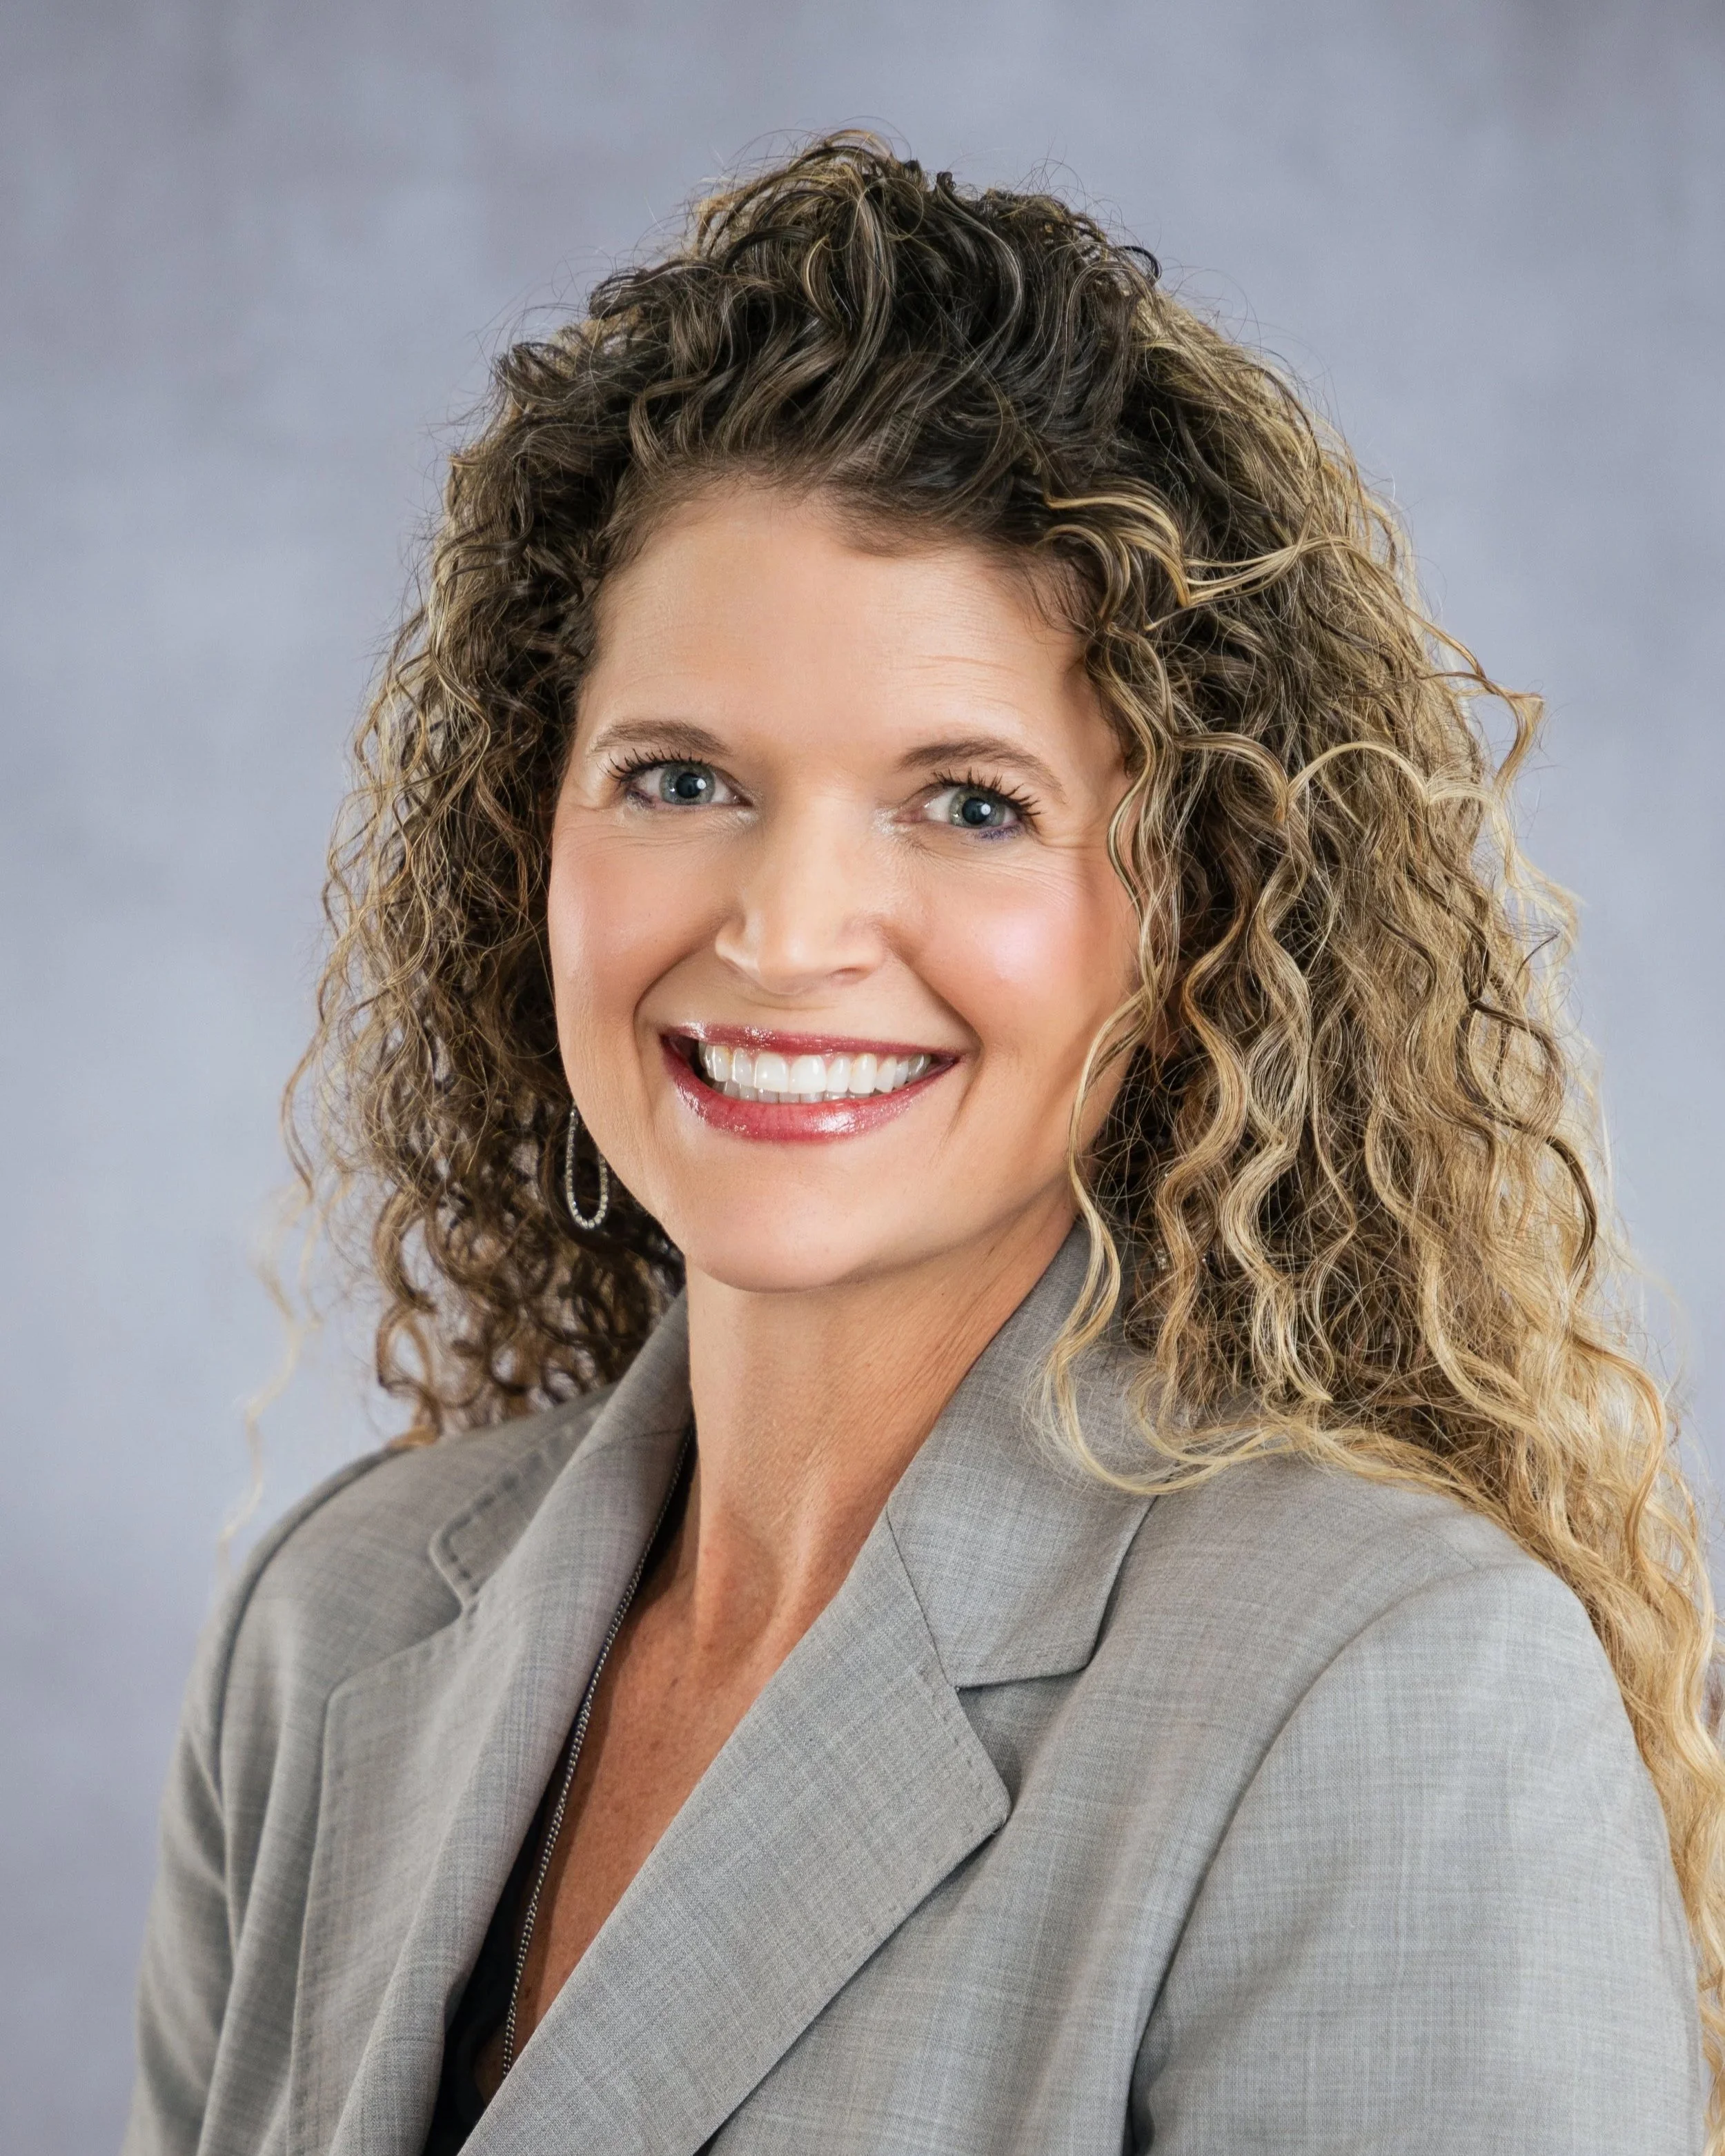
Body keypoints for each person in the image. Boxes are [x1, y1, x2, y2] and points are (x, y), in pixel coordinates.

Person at [125, 136, 1719, 2155]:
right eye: (680, 776)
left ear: (1190, 906)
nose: (781, 935)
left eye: (963, 802)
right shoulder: (332, 1620)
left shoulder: (1387, 1697)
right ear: (536, 837)